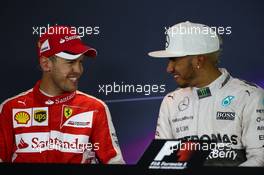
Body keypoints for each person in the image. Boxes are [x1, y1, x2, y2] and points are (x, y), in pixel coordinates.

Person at [0, 26, 125, 164]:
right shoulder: (10, 108)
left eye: (81, 62)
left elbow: (115, 163)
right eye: (70, 62)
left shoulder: (95, 108)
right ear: (46, 64)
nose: (78, 70)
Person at [148, 21, 264, 166]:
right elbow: (162, 163)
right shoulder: (171, 101)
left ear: (199, 60)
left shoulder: (250, 96)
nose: (169, 68)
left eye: (174, 60)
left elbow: (260, 158)